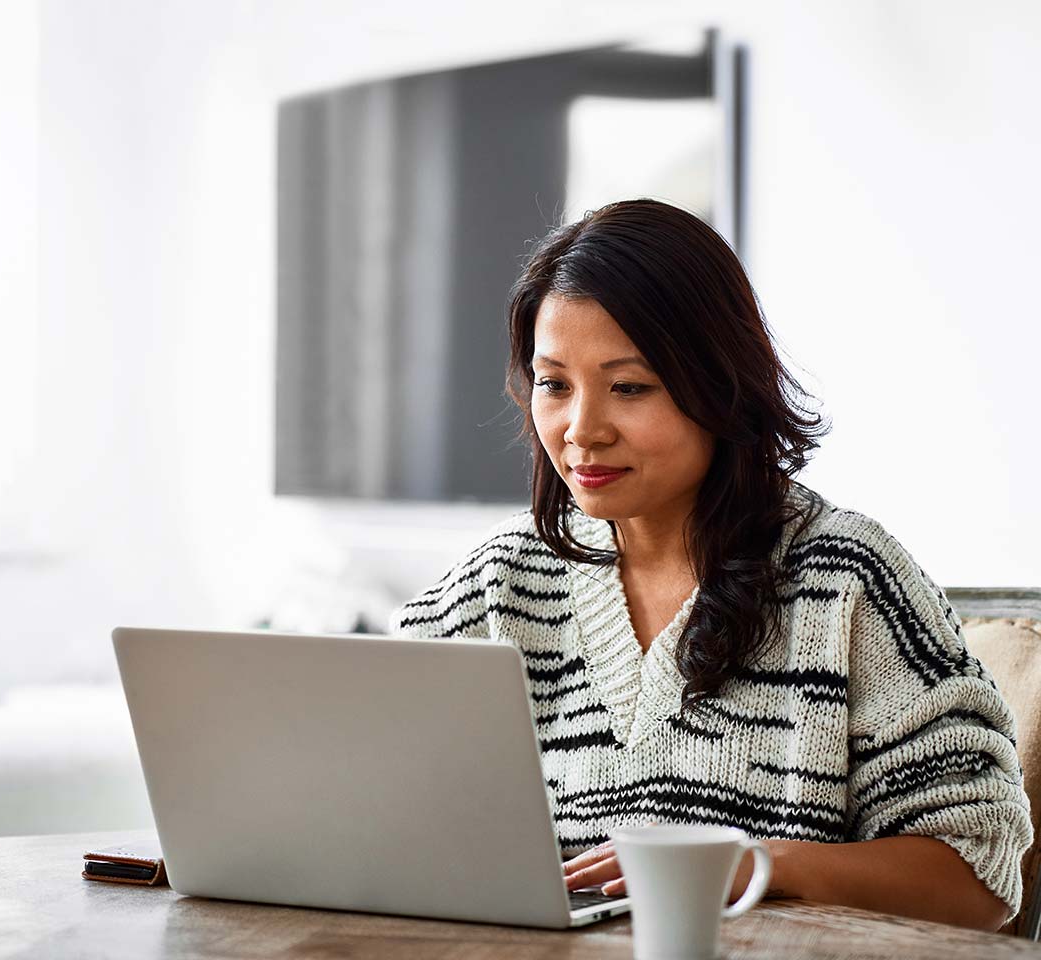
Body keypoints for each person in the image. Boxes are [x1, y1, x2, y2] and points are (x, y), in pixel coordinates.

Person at [388, 199, 1031, 931]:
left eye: (629, 387)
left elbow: (978, 878)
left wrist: (755, 864)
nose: (581, 430)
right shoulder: (497, 583)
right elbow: (371, 802)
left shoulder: (847, 578)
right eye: (554, 383)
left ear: (719, 384)